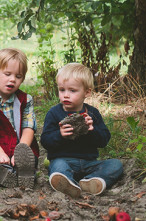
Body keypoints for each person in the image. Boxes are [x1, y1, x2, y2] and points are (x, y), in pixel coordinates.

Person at [41, 63, 123, 198]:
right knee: (58, 167)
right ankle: (66, 183)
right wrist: (59, 134)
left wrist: (92, 130)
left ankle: (91, 181)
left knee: (115, 164)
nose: (66, 95)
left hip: (89, 163)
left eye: (72, 91)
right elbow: (45, 140)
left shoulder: (92, 113)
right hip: (64, 160)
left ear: (87, 92)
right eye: (62, 90)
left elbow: (104, 140)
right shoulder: (54, 113)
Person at [0, 48, 39, 188]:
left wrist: (21, 151)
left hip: (21, 149)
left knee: (29, 160)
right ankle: (6, 174)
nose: (12, 79)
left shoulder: (25, 100)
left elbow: (28, 128)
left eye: (18, 76)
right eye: (7, 74)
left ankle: (23, 173)